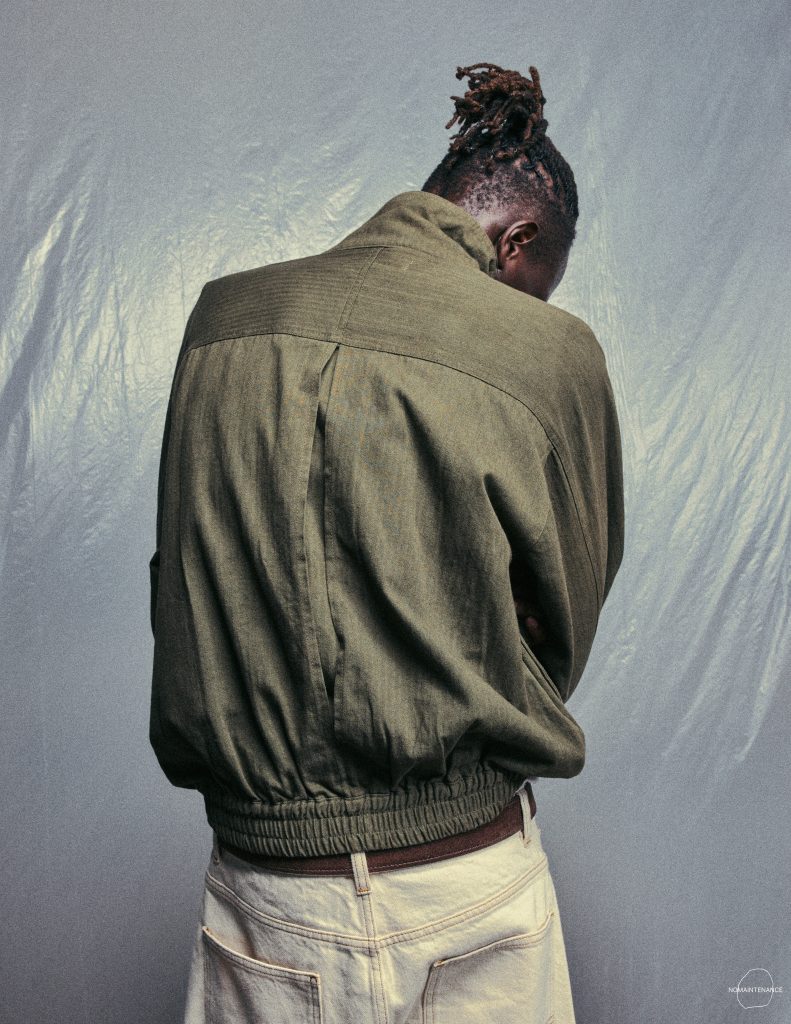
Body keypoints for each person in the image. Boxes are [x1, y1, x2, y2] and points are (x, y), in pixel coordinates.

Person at [148, 61, 624, 1024]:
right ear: (517, 239)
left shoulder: (220, 321)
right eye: (533, 285)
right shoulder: (549, 352)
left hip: (262, 895)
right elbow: (559, 628)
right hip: (462, 885)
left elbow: (182, 584)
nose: (525, 307)